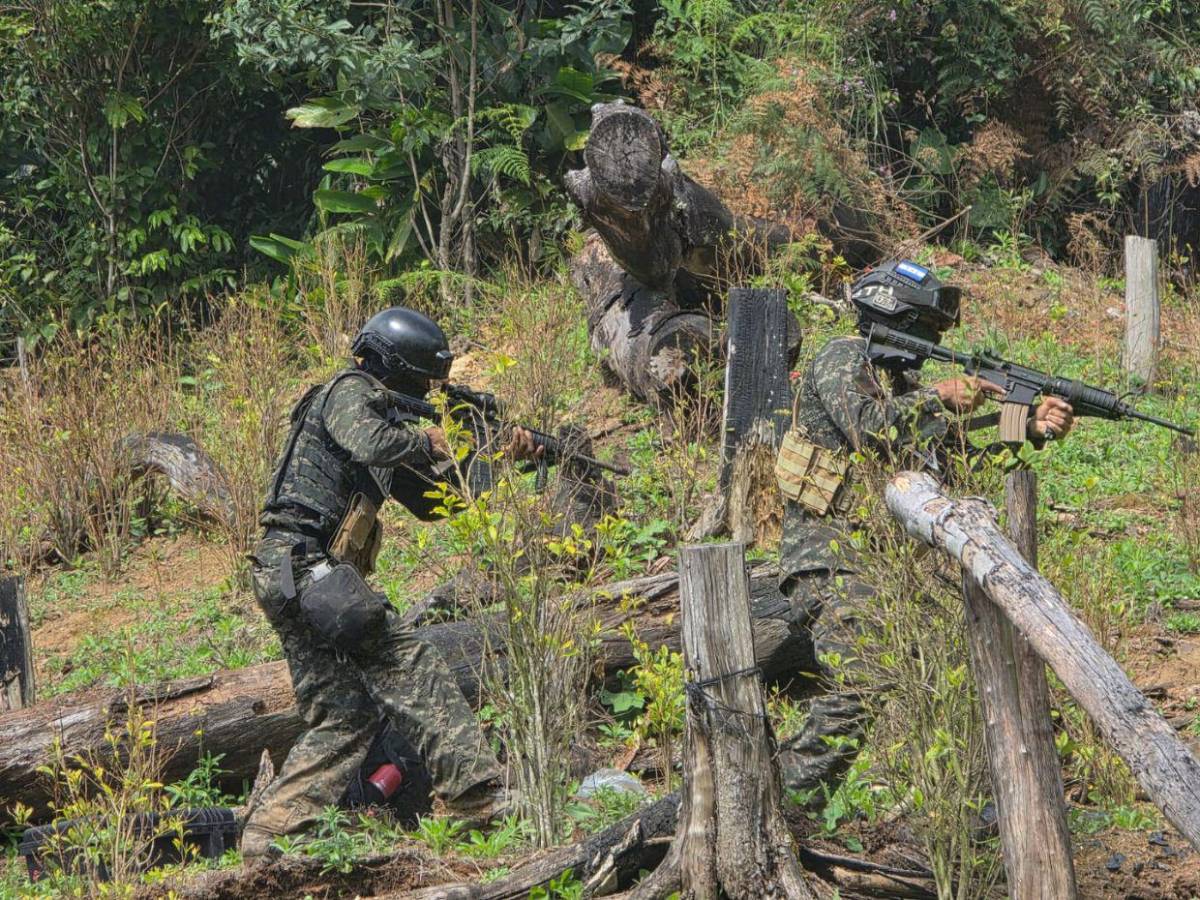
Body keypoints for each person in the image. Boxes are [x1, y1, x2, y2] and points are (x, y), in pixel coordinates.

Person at [240, 307, 538, 861]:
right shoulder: (351, 391)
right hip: (306, 568)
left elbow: (435, 502)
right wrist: (436, 438)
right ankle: (477, 795)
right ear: (397, 367)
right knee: (411, 661)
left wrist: (498, 454)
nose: (430, 392)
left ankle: (271, 834)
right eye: (426, 382)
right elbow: (374, 440)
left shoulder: (383, 430)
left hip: (291, 575)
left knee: (345, 714)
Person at [774, 259, 1075, 798]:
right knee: (864, 680)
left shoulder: (900, 382)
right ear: (890, 315)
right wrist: (939, 395)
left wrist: (1028, 426)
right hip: (829, 555)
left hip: (886, 561)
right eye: (927, 328)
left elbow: (955, 464)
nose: (935, 340)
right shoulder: (842, 356)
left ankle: (976, 805)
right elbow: (868, 429)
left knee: (964, 670)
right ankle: (784, 799)